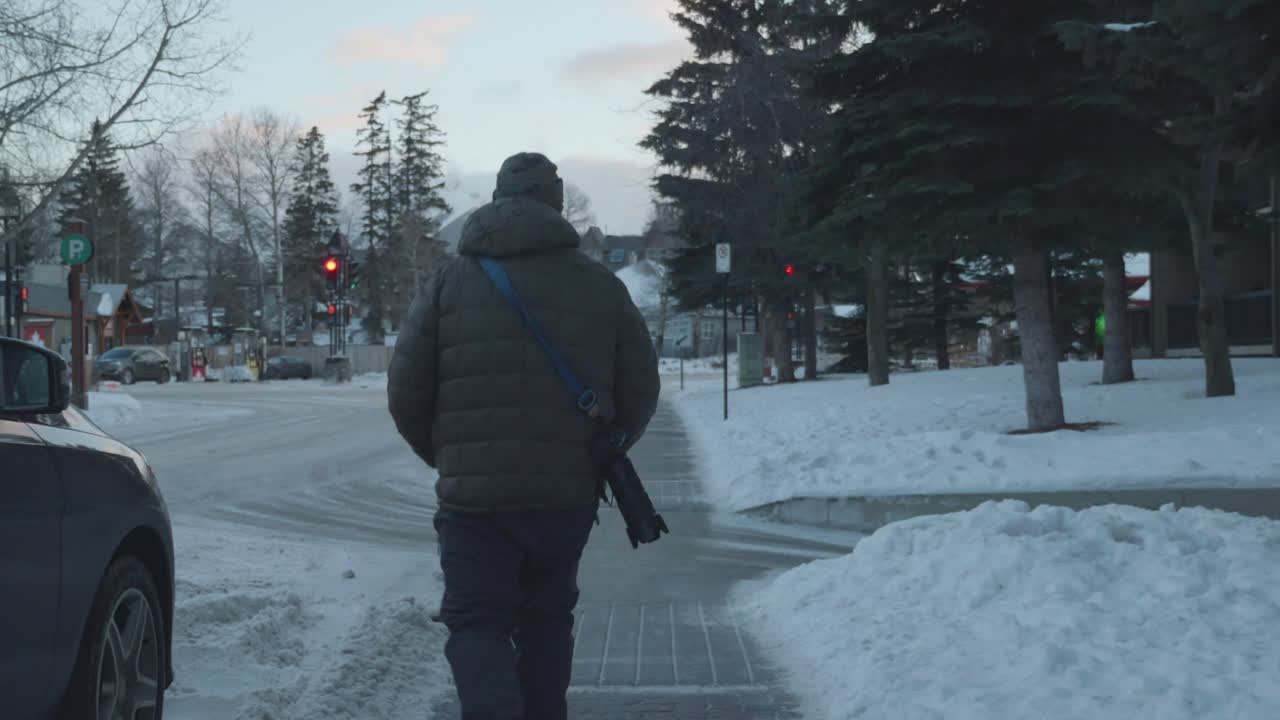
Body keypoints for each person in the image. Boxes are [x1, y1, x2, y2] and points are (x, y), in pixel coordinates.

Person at [387, 152, 660, 719]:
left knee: (475, 622)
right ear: (555, 205)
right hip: (563, 497)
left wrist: (449, 458)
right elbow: (641, 388)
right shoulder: (600, 285)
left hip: (472, 503)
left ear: (497, 198)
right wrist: (601, 452)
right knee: (546, 620)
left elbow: (406, 390)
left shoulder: (447, 282)